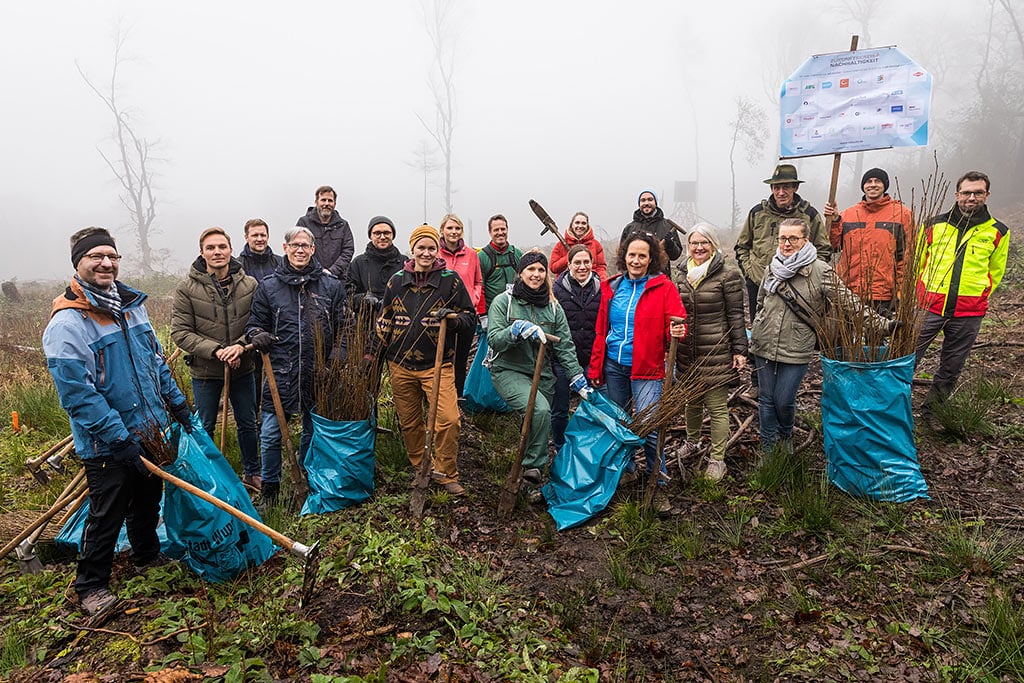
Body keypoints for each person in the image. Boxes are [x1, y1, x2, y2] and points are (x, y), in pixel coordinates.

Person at [43, 227, 191, 616]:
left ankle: (146, 556)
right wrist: (117, 436)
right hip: (106, 440)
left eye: (111, 255)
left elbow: (154, 361)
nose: (106, 263)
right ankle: (91, 586)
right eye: (96, 257)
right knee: (107, 512)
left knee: (147, 499)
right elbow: (77, 394)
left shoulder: (131, 306)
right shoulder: (68, 323)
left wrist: (176, 404)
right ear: (79, 263)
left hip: (148, 427)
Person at [749, 218, 893, 452]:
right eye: (783, 238)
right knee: (766, 400)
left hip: (796, 346)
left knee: (783, 400)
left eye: (793, 239)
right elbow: (761, 302)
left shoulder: (819, 270)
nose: (786, 244)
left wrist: (881, 325)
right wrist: (757, 329)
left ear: (806, 240)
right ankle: (768, 448)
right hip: (763, 343)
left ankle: (785, 438)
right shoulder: (772, 267)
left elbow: (849, 303)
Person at [246, 226, 346, 505]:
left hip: (318, 372)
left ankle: (304, 476)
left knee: (311, 430)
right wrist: (257, 335)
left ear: (313, 250)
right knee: (269, 435)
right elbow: (254, 324)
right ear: (285, 248)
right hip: (279, 373)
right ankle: (270, 490)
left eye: (305, 245)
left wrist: (336, 359)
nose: (300, 250)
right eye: (295, 245)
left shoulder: (330, 286)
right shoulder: (268, 287)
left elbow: (345, 328)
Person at [373, 224, 476, 495]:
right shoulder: (396, 281)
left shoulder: (450, 280)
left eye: (431, 247)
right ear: (413, 249)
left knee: (448, 420)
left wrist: (452, 320)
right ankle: (422, 467)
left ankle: (446, 472)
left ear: (437, 249)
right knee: (409, 422)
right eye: (421, 247)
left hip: (437, 364)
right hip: (400, 363)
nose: (426, 252)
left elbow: (469, 317)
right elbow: (384, 320)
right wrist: (374, 354)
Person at [589, 232, 687, 513]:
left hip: (647, 368)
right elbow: (601, 330)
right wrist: (597, 367)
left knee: (651, 426)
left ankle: (658, 482)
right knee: (621, 423)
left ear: (651, 259)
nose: (636, 260)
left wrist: (677, 329)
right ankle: (628, 470)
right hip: (614, 366)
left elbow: (677, 322)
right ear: (624, 256)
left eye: (642, 255)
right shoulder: (612, 287)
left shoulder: (663, 287)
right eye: (632, 255)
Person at [488, 251, 592, 501]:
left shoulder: (553, 308)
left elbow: (565, 346)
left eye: (540, 270)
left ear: (546, 274)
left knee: (539, 415)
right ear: (521, 273)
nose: (536, 275)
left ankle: (529, 480)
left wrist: (577, 378)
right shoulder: (505, 302)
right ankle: (534, 466)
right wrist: (515, 331)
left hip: (541, 374)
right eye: (530, 270)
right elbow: (494, 339)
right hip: (508, 370)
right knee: (540, 410)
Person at [171, 227, 260, 488]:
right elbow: (181, 332)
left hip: (242, 367)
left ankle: (252, 473)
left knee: (247, 422)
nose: (217, 252)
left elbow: (258, 323)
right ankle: (208, 478)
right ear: (202, 253)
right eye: (211, 248)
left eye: (222, 247)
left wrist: (241, 347)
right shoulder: (186, 289)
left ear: (231, 250)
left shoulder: (250, 284)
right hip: (206, 371)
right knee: (205, 425)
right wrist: (218, 350)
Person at [914, 171, 1010, 412]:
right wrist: (918, 294)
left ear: (986, 195)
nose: (972, 197)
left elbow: (995, 271)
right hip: (929, 306)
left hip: (969, 311)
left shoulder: (998, 231)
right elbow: (916, 263)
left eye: (978, 192)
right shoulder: (933, 224)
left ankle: (933, 412)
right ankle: (892, 407)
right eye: (966, 192)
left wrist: (979, 296)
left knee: (952, 365)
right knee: (907, 358)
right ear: (957, 195)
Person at [735, 164, 830, 396]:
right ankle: (759, 383)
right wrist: (750, 271)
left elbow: (824, 250)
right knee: (759, 330)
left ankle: (787, 385)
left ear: (795, 187)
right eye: (777, 187)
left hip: (795, 288)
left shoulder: (809, 215)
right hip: (760, 283)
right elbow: (742, 246)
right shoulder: (758, 212)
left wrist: (804, 277)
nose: (781, 192)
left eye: (786, 187)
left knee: (790, 332)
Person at [674, 224, 748, 481]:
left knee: (716, 407)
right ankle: (692, 441)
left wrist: (739, 350)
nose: (699, 247)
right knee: (691, 402)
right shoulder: (681, 275)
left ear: (713, 244)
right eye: (694, 243)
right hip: (687, 351)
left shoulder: (727, 276)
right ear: (688, 246)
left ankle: (718, 459)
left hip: (716, 351)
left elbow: (736, 315)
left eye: (704, 242)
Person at [823, 168, 913, 315]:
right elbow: (834, 246)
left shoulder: (902, 214)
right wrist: (834, 220)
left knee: (877, 337)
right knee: (843, 337)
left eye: (877, 181)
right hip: (849, 291)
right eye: (868, 181)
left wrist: (900, 292)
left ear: (885, 185)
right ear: (863, 186)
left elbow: (906, 257)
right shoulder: (848, 214)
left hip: (883, 294)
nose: (872, 185)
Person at [550, 244, 602, 451]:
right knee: (560, 408)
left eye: (586, 262)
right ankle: (560, 447)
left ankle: (587, 448)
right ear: (568, 264)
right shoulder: (556, 290)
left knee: (592, 405)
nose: (582, 267)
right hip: (562, 360)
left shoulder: (601, 289)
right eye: (577, 262)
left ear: (592, 263)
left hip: (591, 359)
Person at [438, 213, 484, 398]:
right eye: (450, 228)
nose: (454, 232)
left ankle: (458, 398)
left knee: (461, 359)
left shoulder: (471, 254)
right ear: (442, 230)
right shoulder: (436, 253)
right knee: (441, 357)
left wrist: (473, 299)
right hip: (441, 314)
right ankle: (439, 398)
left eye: (457, 228)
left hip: (465, 314)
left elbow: (478, 281)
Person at [346, 216, 406, 314]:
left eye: (386, 233)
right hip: (366, 323)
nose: (382, 237)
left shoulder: (405, 263)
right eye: (377, 233)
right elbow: (349, 296)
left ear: (393, 235)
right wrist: (363, 300)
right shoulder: (358, 263)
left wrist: (392, 301)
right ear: (370, 236)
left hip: (398, 322)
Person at [297, 185, 355, 281]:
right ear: (316, 202)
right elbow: (299, 248)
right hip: (310, 279)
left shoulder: (343, 225)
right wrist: (317, 271)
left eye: (330, 201)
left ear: (335, 204)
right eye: (323, 200)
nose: (326, 204)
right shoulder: (304, 223)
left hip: (337, 279)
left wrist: (332, 271)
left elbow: (348, 250)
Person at [620, 191, 683, 275]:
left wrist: (670, 245)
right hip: (636, 278)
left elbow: (675, 256)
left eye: (650, 200)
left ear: (655, 202)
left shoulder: (668, 226)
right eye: (643, 200)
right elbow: (622, 256)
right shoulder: (630, 228)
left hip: (661, 278)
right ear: (639, 204)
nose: (646, 203)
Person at [477, 214, 524, 322]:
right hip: (492, 314)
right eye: (496, 230)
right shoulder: (482, 257)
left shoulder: (517, 254)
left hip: (516, 312)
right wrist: (483, 315)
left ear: (507, 230)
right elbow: (480, 288)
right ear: (490, 232)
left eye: (503, 229)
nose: (500, 233)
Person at [550, 211, 608, 280]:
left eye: (583, 223)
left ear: (587, 226)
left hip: (591, 285)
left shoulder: (596, 245)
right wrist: (569, 257)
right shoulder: (560, 245)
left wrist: (602, 281)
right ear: (572, 225)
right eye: (577, 223)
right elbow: (553, 268)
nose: (580, 226)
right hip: (566, 286)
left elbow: (601, 267)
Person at [238, 218, 283, 283]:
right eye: (255, 235)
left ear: (268, 237)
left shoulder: (280, 263)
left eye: (263, 235)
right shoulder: (239, 266)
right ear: (246, 237)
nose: (259, 239)